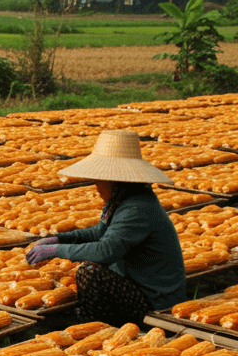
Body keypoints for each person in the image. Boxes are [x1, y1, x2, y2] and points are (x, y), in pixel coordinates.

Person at [25, 129, 186, 326]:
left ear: (113, 180)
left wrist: (56, 250)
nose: (96, 185)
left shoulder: (137, 208)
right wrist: (60, 238)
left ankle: (98, 326)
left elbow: (105, 251)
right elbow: (100, 232)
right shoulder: (125, 199)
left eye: (98, 180)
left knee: (90, 272)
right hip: (139, 285)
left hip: (156, 299)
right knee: (91, 267)